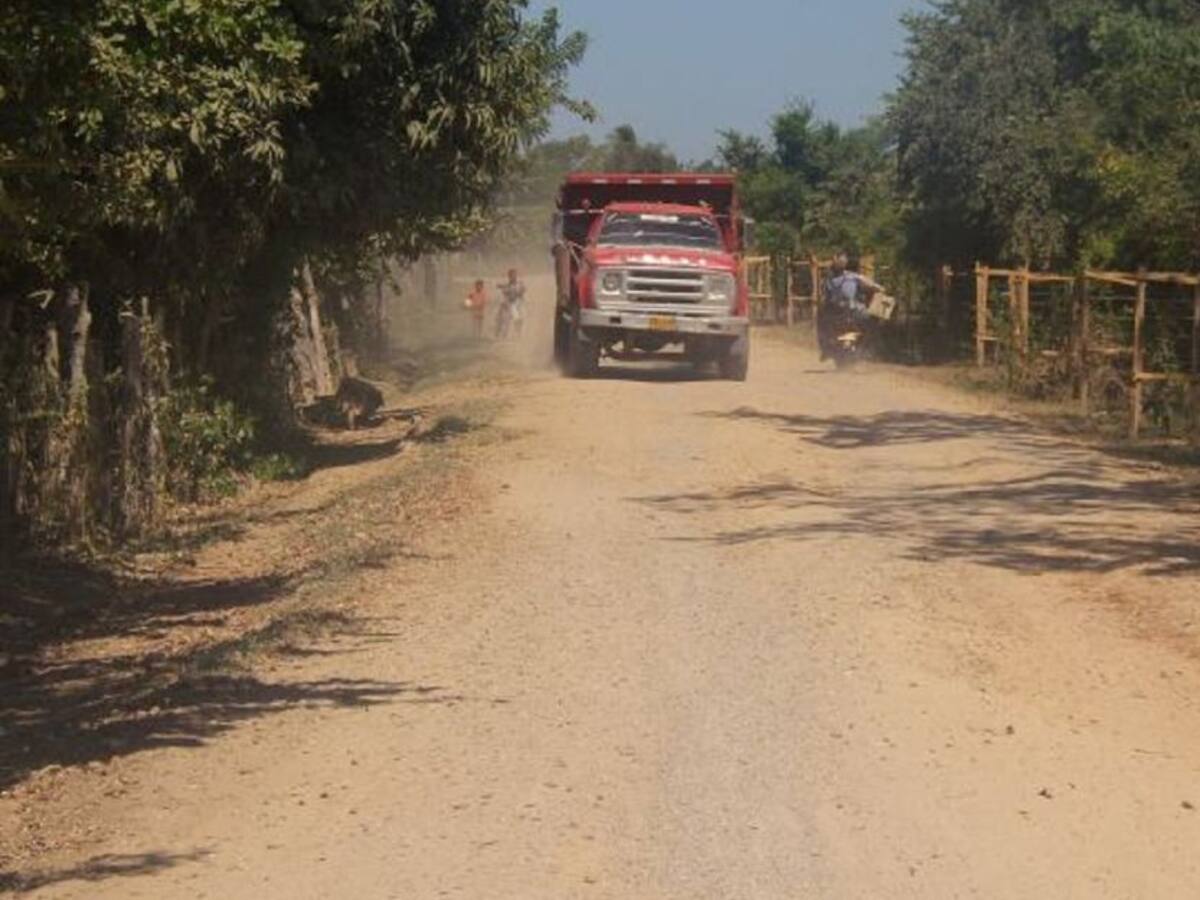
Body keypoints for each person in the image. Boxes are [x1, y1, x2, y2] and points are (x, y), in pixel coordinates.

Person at [818, 251, 885, 361]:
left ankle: (827, 349)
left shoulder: (828, 281)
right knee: (873, 321)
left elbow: (825, 298)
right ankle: (868, 347)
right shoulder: (853, 277)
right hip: (853, 312)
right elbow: (872, 285)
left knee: (823, 325)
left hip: (836, 315)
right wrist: (881, 289)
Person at [496, 268, 526, 339]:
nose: (513, 277)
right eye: (511, 275)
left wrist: (519, 292)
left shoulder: (519, 284)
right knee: (505, 318)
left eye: (514, 275)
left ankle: (518, 334)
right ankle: (502, 333)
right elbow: (505, 293)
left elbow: (523, 290)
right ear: (509, 277)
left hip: (518, 304)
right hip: (510, 304)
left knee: (519, 319)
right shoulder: (507, 285)